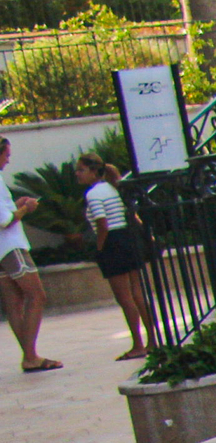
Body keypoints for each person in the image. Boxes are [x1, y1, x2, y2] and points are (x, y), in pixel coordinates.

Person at [76, 154, 152, 361]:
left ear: (94, 172)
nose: (77, 174)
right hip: (128, 239)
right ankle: (152, 340)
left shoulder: (93, 194)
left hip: (113, 242)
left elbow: (102, 224)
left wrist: (100, 248)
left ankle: (137, 343)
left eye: (81, 170)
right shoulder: (113, 188)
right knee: (137, 292)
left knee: (124, 297)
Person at [0, 138, 56, 373]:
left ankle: (29, 355)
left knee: (14, 303)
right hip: (12, 247)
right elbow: (4, 220)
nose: (8, 159)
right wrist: (26, 208)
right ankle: (31, 355)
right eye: (6, 155)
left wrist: (16, 205)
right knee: (36, 296)